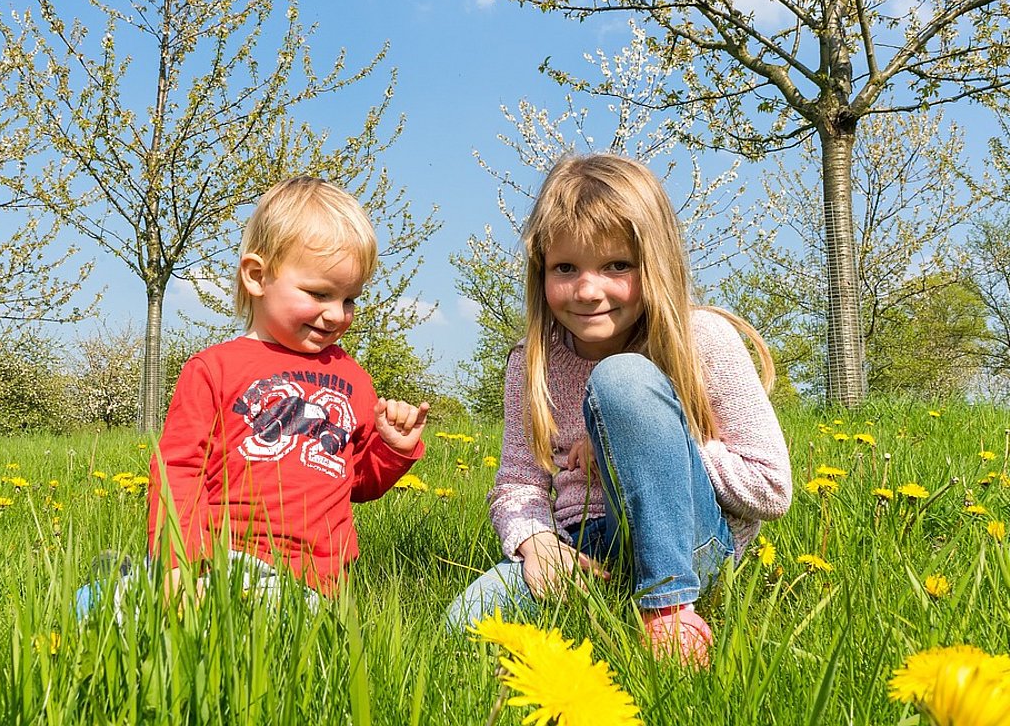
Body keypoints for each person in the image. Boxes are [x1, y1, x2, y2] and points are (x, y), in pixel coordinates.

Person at [445, 154, 791, 666]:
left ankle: (669, 608)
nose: (588, 290)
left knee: (622, 380)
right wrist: (537, 542)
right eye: (566, 268)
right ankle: (613, 601)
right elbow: (517, 482)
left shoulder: (705, 341)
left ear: (655, 264)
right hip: (584, 548)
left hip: (692, 545)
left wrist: (653, 438)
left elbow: (771, 488)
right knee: (466, 625)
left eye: (617, 266)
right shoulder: (530, 362)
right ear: (541, 270)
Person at [145, 176, 430, 604]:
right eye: (319, 294)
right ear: (257, 276)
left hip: (318, 582)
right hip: (224, 561)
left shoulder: (351, 377)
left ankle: (123, 593)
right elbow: (178, 472)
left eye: (350, 299)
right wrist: (178, 563)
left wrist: (393, 449)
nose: (337, 315)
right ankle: (129, 593)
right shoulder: (214, 369)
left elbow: (358, 482)